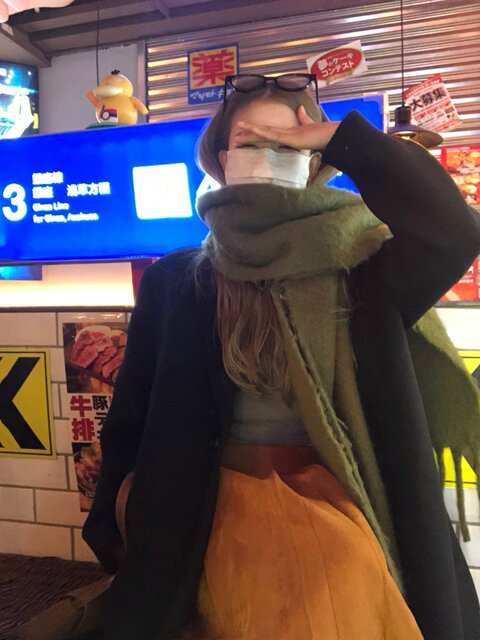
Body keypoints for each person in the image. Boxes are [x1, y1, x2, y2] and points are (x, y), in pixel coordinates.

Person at [82, 73, 480, 640]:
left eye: (287, 144)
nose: (268, 157)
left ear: (315, 160)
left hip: (345, 502)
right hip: (199, 512)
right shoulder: (177, 280)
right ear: (221, 159)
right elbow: (132, 411)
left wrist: (342, 139)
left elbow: (452, 231)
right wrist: (110, 521)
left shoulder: (361, 266)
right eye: (250, 142)